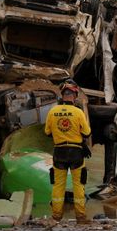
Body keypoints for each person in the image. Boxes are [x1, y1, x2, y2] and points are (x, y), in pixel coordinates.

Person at [44, 80, 92, 223]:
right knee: (78, 184)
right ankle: (81, 217)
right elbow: (87, 132)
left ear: (62, 94)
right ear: (75, 95)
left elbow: (47, 132)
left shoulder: (53, 111)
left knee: (58, 185)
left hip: (59, 152)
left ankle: (56, 217)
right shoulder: (78, 112)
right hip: (76, 152)